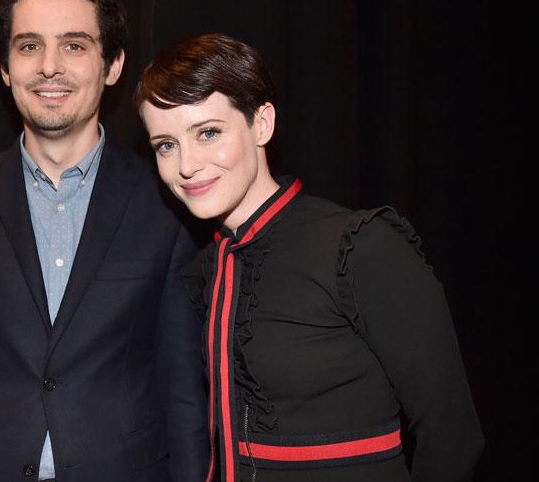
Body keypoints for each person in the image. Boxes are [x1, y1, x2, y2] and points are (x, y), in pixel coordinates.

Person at [0, 0, 207, 482]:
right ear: (5, 68)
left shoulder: (167, 201)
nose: (50, 66)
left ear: (112, 65)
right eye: (29, 46)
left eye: (74, 45)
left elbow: (183, 386)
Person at [135, 32, 484, 482]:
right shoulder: (208, 269)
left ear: (261, 123)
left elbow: (452, 435)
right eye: (166, 144)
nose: (186, 164)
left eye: (208, 133)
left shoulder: (358, 245)